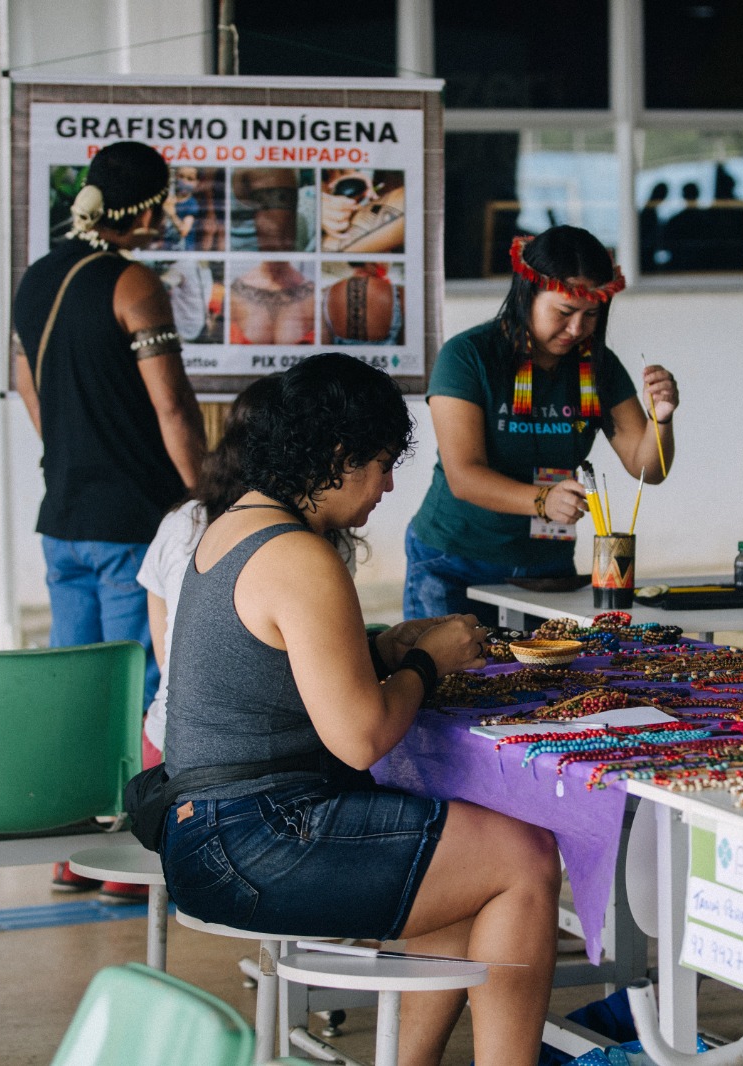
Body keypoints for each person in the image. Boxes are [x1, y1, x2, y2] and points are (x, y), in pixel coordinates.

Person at [162, 353, 559, 1064]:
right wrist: (427, 662)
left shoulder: (234, 526)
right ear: (339, 459)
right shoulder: (297, 556)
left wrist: (390, 647)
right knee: (524, 858)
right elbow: (361, 737)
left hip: (207, 830)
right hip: (253, 838)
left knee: (459, 847)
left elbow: (284, 672)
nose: (388, 484)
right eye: (380, 464)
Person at [12, 139, 207, 891]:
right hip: (132, 520)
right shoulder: (133, 286)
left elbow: (23, 381)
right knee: (143, 686)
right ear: (147, 206)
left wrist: (71, 450)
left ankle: (72, 852)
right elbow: (172, 405)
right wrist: (205, 496)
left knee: (83, 686)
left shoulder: (36, 280)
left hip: (62, 515)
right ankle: (129, 859)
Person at [405, 226, 680, 622]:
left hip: (546, 569)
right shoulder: (467, 356)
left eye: (590, 315)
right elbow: (463, 475)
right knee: (452, 682)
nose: (576, 330)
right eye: (564, 312)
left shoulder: (598, 366)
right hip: (454, 559)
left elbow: (647, 470)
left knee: (542, 681)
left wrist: (662, 418)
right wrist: (542, 500)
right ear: (526, 294)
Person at [135, 376, 360, 770]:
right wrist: (422, 667)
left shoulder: (185, 521)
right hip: (237, 762)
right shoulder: (313, 545)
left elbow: (168, 649)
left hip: (167, 738)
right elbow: (356, 734)